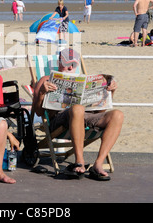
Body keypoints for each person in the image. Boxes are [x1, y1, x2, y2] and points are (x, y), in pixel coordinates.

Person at [32, 48, 123, 181]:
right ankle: (79, 161)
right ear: (59, 61)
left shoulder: (84, 80)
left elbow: (100, 112)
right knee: (77, 109)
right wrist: (41, 93)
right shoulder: (45, 80)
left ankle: (98, 164)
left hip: (86, 117)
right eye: (66, 63)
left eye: (73, 65)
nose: (70, 68)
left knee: (117, 115)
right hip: (60, 120)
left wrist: (110, 92)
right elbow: (39, 112)